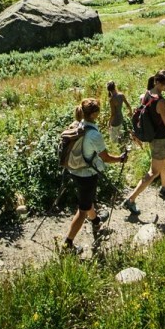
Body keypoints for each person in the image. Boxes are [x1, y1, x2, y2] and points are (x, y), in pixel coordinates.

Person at [61, 98, 128, 253]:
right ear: (95, 114)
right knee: (83, 209)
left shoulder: (79, 125)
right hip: (86, 175)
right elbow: (105, 157)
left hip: (73, 170)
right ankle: (67, 244)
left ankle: (96, 220)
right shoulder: (94, 135)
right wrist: (120, 159)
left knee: (87, 199)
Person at [122, 70, 165, 214]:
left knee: (164, 161)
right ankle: (131, 200)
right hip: (160, 139)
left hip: (153, 138)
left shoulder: (146, 94)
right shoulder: (161, 101)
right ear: (157, 82)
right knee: (153, 172)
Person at [106, 80, 129, 146]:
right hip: (120, 118)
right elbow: (128, 105)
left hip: (114, 121)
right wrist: (130, 112)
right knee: (120, 134)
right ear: (115, 86)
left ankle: (116, 149)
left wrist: (109, 123)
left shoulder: (111, 99)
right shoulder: (121, 95)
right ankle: (122, 146)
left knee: (113, 140)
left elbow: (113, 114)